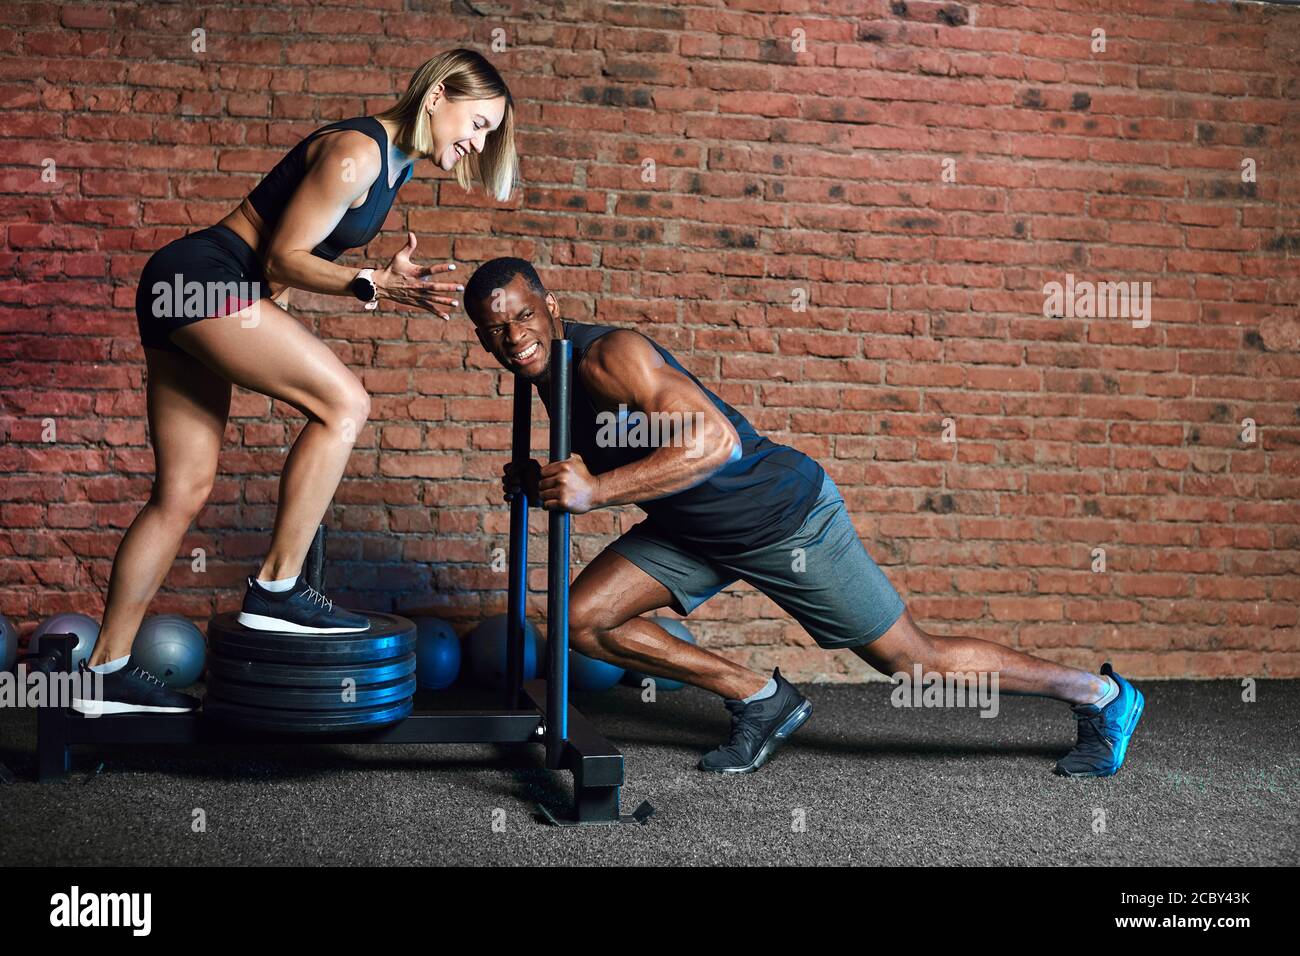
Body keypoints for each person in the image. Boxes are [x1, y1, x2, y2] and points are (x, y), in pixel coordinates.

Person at [463, 257, 1145, 777]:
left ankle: (1099, 694)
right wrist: (546, 478)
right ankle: (760, 696)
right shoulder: (546, 374)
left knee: (913, 663)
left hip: (781, 517)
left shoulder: (610, 357)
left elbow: (715, 442)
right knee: (583, 619)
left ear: (550, 307)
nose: (513, 336)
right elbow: (617, 447)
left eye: (522, 316)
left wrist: (593, 492)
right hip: (691, 528)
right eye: (495, 329)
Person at [82, 50, 518, 715]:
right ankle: (277, 592)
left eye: (490, 134)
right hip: (202, 277)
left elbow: (282, 270)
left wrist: (347, 292)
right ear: (437, 98)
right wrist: (371, 283)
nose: (479, 142)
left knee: (181, 492)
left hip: (181, 285)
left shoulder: (393, 165)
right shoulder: (359, 152)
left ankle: (102, 672)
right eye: (479, 123)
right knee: (346, 402)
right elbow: (281, 254)